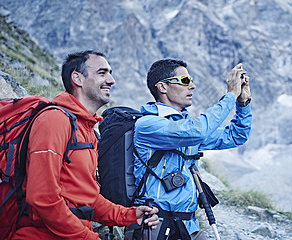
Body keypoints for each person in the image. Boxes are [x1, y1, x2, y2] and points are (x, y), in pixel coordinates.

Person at [12, 50, 159, 240]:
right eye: (102, 72)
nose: (111, 80)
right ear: (77, 78)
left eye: (110, 73)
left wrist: (129, 215)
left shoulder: (86, 129)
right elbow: (43, 198)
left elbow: (87, 198)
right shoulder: (54, 120)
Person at [133, 59, 252, 240]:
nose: (193, 86)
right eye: (185, 81)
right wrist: (230, 95)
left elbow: (236, 136)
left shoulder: (185, 128)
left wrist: (242, 103)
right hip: (157, 225)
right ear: (162, 87)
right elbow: (198, 130)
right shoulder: (149, 124)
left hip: (189, 226)